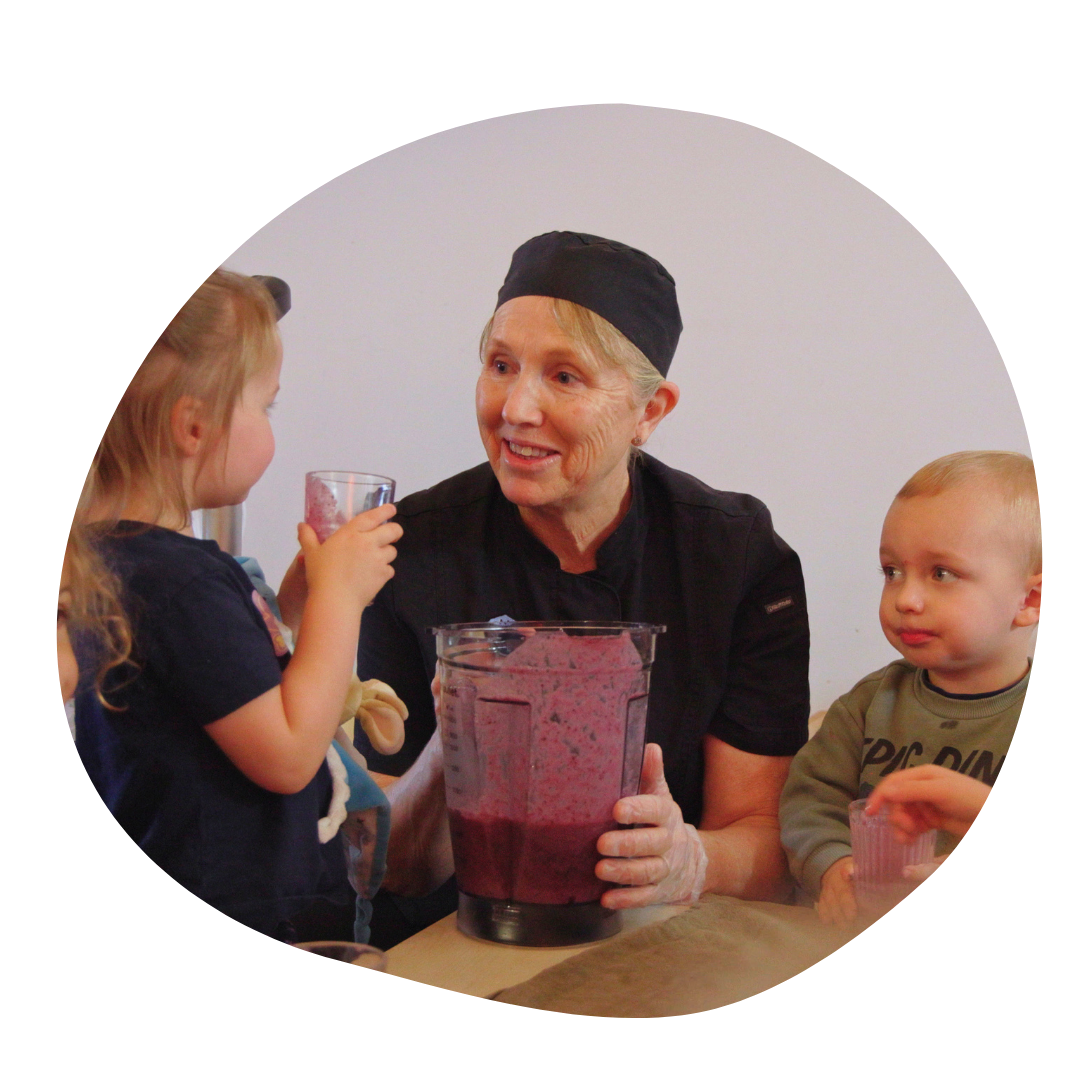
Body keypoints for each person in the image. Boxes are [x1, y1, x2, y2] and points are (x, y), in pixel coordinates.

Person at [355, 232, 812, 944]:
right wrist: (455, 741)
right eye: (500, 365)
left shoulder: (733, 556)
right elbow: (386, 866)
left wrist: (687, 859)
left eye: (565, 376)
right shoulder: (406, 550)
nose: (516, 408)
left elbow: (767, 850)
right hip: (448, 939)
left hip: (650, 941)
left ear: (649, 412)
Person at [73, 268, 403, 941]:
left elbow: (235, 688)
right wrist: (341, 599)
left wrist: (298, 605)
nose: (271, 425)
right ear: (193, 426)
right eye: (266, 406)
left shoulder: (117, 562)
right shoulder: (179, 583)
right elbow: (287, 755)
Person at [780, 451, 1039, 926]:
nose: (906, 599)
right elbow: (810, 801)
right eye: (892, 571)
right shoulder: (867, 704)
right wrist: (832, 866)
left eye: (942, 574)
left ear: (1030, 600)